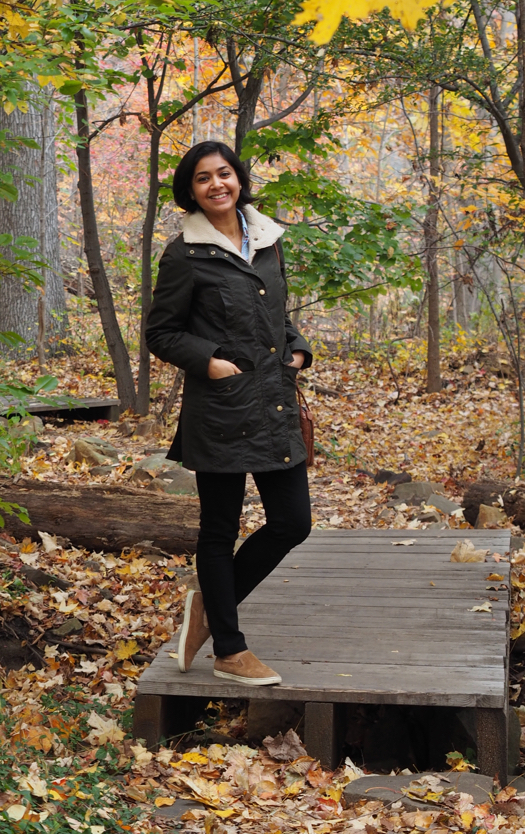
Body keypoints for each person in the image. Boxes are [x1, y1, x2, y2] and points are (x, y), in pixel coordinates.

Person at [145, 140, 313, 686]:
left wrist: (298, 349)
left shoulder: (267, 240)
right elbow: (161, 333)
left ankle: (210, 610)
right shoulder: (184, 254)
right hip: (220, 407)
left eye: (224, 173)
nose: (216, 184)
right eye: (203, 178)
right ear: (190, 191)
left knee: (293, 523)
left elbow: (277, 315)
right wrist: (210, 362)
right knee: (218, 530)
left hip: (273, 401)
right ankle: (229, 650)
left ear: (239, 179)